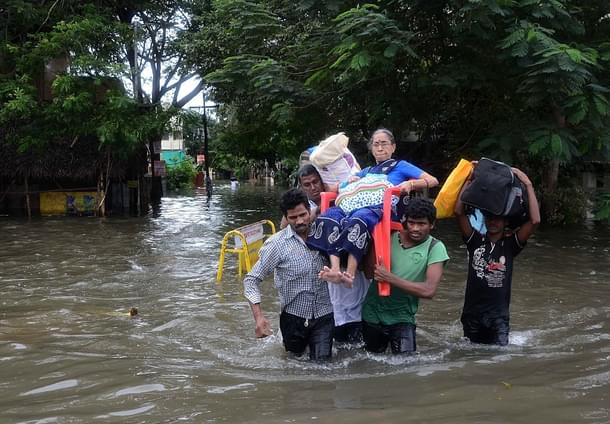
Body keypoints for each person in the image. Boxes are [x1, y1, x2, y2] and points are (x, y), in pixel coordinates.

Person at [309, 128, 439, 286]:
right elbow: (335, 189)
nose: (379, 148)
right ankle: (335, 269)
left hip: (383, 207)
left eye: (384, 144)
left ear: (393, 147)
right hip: (357, 204)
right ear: (371, 148)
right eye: (376, 144)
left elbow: (432, 180)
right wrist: (348, 182)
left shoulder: (400, 165)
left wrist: (410, 183)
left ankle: (349, 274)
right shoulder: (367, 171)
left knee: (360, 217)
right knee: (330, 215)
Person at [243, 188, 334, 360]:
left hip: (324, 315)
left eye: (303, 215)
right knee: (294, 365)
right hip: (293, 318)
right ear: (286, 217)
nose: (299, 221)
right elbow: (251, 280)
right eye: (293, 217)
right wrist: (259, 317)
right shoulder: (276, 245)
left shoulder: (326, 233)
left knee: (323, 366)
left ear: (309, 210)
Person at [283, 164, 369, 345]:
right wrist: (313, 213)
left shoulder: (343, 197)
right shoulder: (302, 208)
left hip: (352, 272)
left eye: (316, 182)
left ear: (324, 181)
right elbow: (284, 230)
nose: (313, 187)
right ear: (301, 186)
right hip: (322, 282)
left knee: (355, 332)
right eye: (307, 184)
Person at [454, 166, 541, 346]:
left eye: (497, 218)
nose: (493, 222)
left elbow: (535, 221)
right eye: (490, 217)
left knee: (500, 356)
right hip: (472, 315)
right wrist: (470, 182)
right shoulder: (475, 240)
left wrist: (528, 184)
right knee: (470, 357)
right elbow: (459, 212)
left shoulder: (510, 246)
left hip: (498, 317)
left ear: (505, 221)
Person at [360, 197, 449, 354]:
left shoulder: (435, 248)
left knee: (406, 365)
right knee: (368, 362)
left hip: (403, 317)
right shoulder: (388, 236)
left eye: (421, 224)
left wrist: (389, 278)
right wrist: (375, 241)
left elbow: (429, 291)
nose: (415, 228)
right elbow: (368, 273)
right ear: (405, 222)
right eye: (412, 223)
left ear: (432, 224)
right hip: (372, 314)